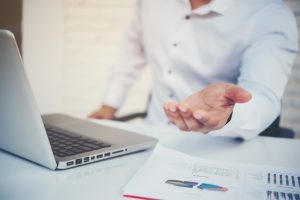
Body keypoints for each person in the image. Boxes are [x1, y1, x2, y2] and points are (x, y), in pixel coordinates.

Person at [89, 0, 298, 139]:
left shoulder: (269, 14)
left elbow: (264, 97)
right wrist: (110, 105)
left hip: (217, 148)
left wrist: (229, 114)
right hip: (150, 136)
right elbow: (132, 50)